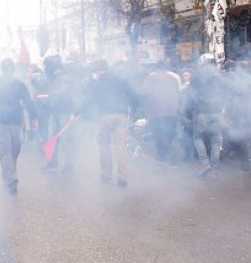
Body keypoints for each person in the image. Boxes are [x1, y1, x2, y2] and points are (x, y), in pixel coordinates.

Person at [77, 60, 138, 188]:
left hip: (105, 116)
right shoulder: (121, 80)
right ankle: (122, 178)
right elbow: (133, 96)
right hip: (121, 116)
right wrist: (134, 112)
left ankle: (106, 175)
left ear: (99, 71)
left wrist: (78, 112)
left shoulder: (98, 84)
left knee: (104, 145)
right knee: (121, 147)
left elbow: (89, 100)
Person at [0, 58, 37, 195]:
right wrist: (34, 116)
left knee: (9, 152)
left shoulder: (12, 85)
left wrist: (34, 116)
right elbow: (28, 102)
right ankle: (11, 179)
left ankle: (9, 177)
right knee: (8, 151)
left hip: (8, 123)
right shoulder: (13, 85)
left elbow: (28, 102)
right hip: (9, 123)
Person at [141, 61, 181, 165]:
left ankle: (163, 155)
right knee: (169, 133)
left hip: (156, 111)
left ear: (156, 68)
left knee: (159, 133)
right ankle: (169, 153)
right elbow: (178, 93)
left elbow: (144, 93)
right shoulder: (173, 78)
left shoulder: (151, 78)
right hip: (172, 111)